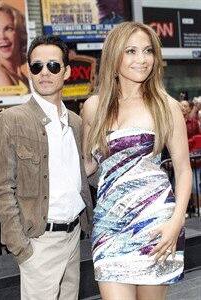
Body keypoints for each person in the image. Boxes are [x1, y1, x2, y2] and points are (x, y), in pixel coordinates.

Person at [82, 21, 192, 300]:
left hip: (156, 223)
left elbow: (183, 169)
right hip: (109, 226)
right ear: (114, 55)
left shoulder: (165, 106)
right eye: (130, 51)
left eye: (147, 51)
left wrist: (176, 222)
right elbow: (88, 166)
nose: (141, 59)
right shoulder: (93, 107)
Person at [0, 35, 92, 300]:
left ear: (67, 72)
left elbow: (80, 174)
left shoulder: (76, 122)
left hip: (73, 239)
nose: (44, 73)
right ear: (28, 72)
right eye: (36, 67)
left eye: (53, 66)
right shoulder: (11, 120)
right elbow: (1, 190)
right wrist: (22, 249)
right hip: (38, 243)